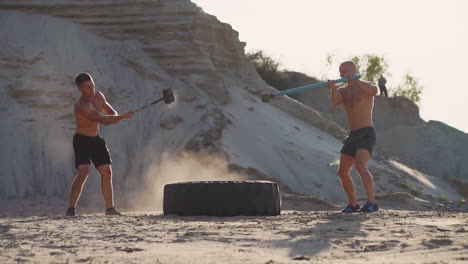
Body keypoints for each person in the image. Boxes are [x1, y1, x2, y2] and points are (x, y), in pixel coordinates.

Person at [66, 73, 134, 216]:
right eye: (88, 87)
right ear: (80, 89)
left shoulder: (99, 96)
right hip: (81, 140)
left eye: (93, 86)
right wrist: (120, 117)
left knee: (107, 171)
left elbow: (110, 112)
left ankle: (109, 209)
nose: (91, 90)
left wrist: (116, 117)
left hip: (96, 139)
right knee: (84, 171)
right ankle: (71, 209)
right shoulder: (81, 106)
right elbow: (100, 119)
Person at [327, 61, 379, 213]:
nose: (344, 75)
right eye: (342, 72)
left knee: (360, 165)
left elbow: (374, 91)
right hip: (353, 135)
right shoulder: (343, 91)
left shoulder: (365, 85)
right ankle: (353, 204)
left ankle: (372, 203)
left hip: (367, 133)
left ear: (355, 71)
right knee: (342, 172)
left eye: (348, 72)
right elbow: (335, 102)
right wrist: (333, 89)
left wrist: (357, 81)